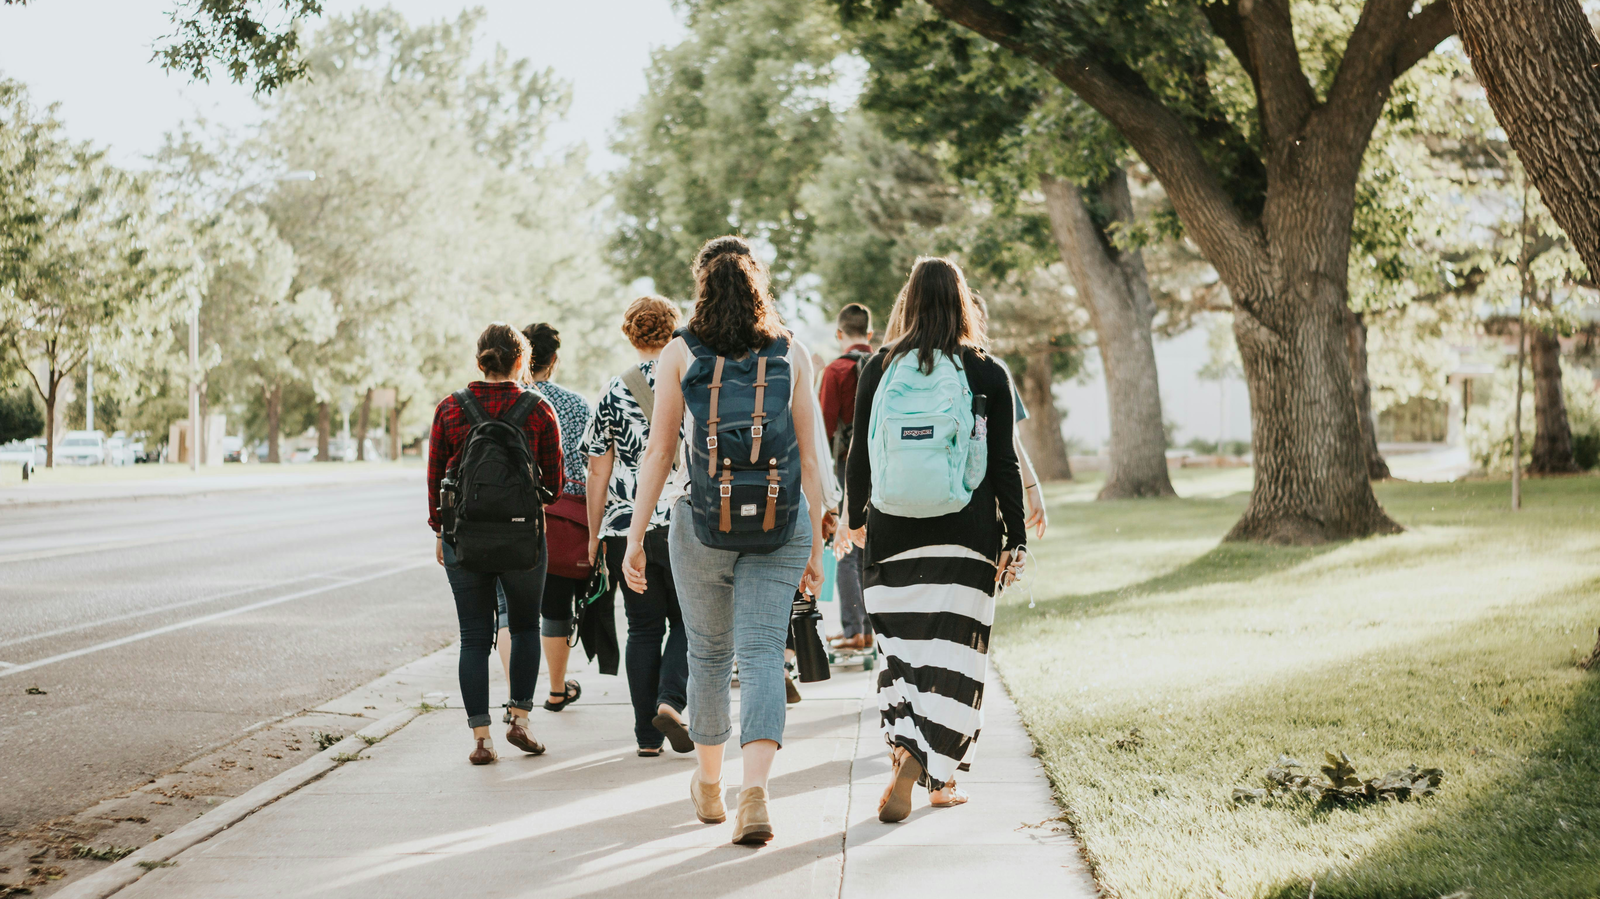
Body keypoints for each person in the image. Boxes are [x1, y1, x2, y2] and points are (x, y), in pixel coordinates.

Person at [623, 235, 826, 846]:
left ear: (701, 286)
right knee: (762, 653)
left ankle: (709, 787)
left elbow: (660, 453)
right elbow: (812, 461)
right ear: (759, 285)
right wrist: (815, 545)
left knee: (709, 656)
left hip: (701, 525)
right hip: (780, 522)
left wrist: (636, 538)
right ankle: (756, 793)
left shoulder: (679, 352)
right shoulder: (794, 351)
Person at [845, 257, 1028, 821]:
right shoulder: (988, 372)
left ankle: (905, 750)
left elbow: (859, 452)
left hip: (892, 536)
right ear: (963, 302)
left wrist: (856, 520)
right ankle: (939, 778)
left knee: (902, 658)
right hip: (967, 537)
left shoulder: (879, 366)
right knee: (956, 659)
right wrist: (1014, 538)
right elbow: (1003, 464)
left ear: (908, 303)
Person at [427, 322, 564, 765]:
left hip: (463, 538)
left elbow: (434, 480)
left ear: (480, 360)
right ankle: (520, 719)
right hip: (523, 537)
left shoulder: (450, 408)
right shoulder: (539, 410)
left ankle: (481, 738)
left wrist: (438, 530)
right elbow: (554, 487)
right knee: (524, 628)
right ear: (522, 362)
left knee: (473, 637)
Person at [584, 296, 692, 757]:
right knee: (691, 623)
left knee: (643, 630)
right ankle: (670, 700)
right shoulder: (691, 379)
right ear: (673, 332)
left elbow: (597, 471)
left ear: (630, 334)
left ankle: (647, 738)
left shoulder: (612, 391)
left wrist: (594, 536)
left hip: (628, 527)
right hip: (683, 521)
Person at [817, 302, 874, 650]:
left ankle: (854, 631)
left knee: (846, 547)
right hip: (880, 466)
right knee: (871, 545)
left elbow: (823, 427)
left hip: (843, 466)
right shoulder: (885, 363)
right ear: (869, 334)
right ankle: (870, 628)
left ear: (840, 334)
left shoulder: (836, 370)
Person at [970, 293, 1048, 538]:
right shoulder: (993, 370)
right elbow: (1011, 442)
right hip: (983, 489)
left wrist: (1032, 486)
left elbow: (1012, 439)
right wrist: (1032, 488)